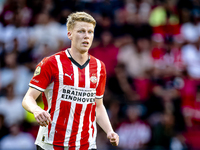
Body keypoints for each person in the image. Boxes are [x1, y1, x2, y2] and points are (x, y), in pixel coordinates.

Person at [22, 11, 119, 150]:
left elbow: (97, 106)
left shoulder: (99, 67)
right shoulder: (51, 63)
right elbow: (28, 98)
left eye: (90, 32)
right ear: (69, 34)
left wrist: (110, 131)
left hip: (86, 144)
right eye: (81, 31)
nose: (86, 36)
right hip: (51, 143)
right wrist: (36, 110)